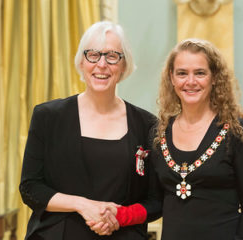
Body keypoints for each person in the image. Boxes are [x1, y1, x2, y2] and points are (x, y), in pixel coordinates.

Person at [19, 21, 161, 240]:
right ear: (81, 63)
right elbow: (30, 189)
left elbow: (155, 201)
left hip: (123, 234)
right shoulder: (48, 116)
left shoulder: (147, 124)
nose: (101, 64)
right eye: (92, 55)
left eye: (112, 56)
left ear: (124, 65)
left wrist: (120, 216)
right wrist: (83, 205)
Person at [150, 38, 243, 240]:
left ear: (214, 78)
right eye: (182, 73)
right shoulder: (159, 134)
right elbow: (155, 201)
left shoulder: (237, 131)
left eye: (200, 73)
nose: (190, 81)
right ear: (172, 78)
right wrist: (118, 215)